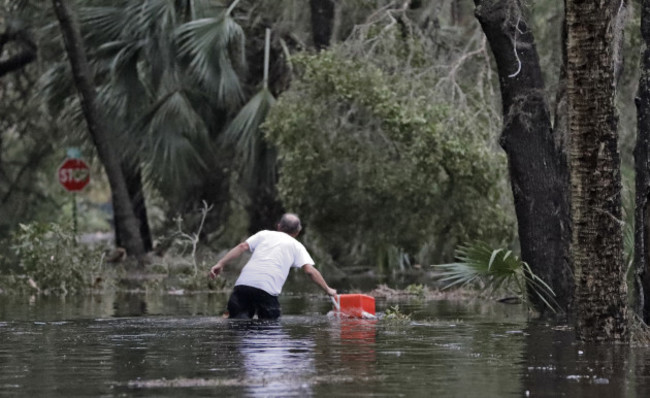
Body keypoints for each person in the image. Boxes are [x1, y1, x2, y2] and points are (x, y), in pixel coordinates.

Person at [209, 213, 337, 319]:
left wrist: (220, 263)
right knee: (271, 330)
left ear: (279, 226)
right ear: (298, 232)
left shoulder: (264, 234)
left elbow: (242, 246)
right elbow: (310, 271)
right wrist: (328, 289)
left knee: (236, 326)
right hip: (267, 291)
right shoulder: (297, 246)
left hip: (242, 286)